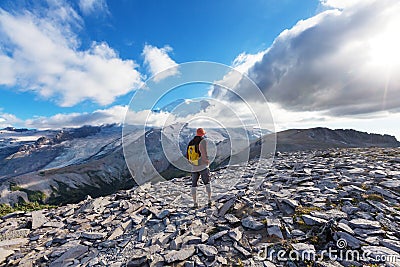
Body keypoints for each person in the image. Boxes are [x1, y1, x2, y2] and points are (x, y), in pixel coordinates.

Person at [187, 128, 212, 208]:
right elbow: (203, 152)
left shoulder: (191, 142)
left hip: (194, 166)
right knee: (207, 183)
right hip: (202, 166)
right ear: (203, 134)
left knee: (194, 185)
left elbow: (188, 155)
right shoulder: (203, 141)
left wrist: (192, 163)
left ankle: (195, 203)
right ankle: (209, 201)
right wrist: (206, 161)